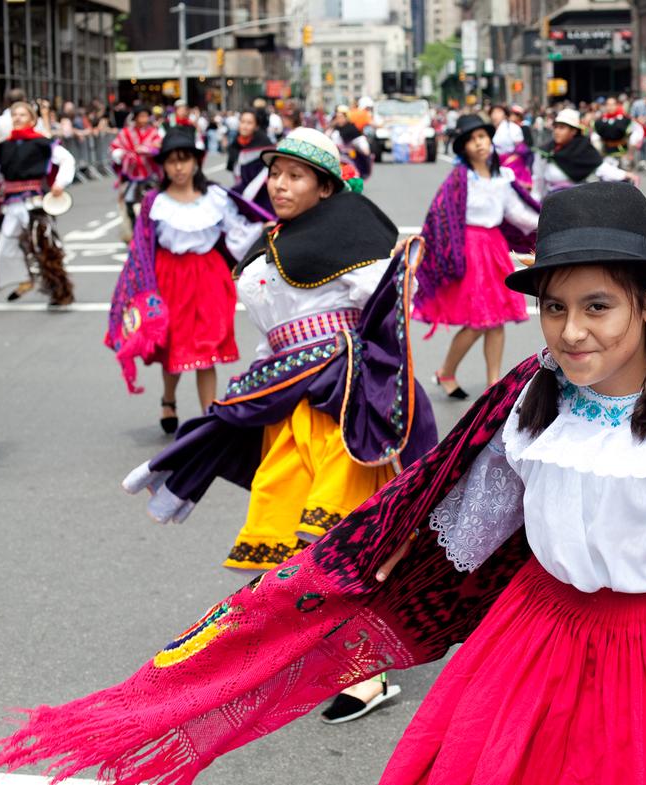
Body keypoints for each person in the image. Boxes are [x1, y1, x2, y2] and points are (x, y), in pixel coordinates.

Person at [0, 181, 646, 785]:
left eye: (599, 305)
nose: (573, 331)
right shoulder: (525, 400)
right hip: (538, 642)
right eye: (555, 308)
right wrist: (320, 583)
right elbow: (430, 530)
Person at [111, 126, 437, 723]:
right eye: (276, 173)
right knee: (284, 532)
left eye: (296, 175)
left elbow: (388, 308)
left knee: (342, 537)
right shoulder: (268, 244)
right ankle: (307, 647)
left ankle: (368, 672)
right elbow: (269, 336)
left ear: (325, 186)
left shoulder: (355, 240)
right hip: (287, 407)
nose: (281, 185)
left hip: (342, 403)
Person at [105, 126, 268, 430]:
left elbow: (239, 231)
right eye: (172, 161)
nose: (178, 167)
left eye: (185, 159)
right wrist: (141, 289)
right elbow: (141, 248)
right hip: (169, 277)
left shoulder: (216, 197)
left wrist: (264, 229)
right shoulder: (155, 202)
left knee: (207, 349)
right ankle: (168, 400)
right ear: (163, 165)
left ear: (196, 161)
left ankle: (209, 415)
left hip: (209, 276)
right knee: (174, 346)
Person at [416, 113, 540, 399]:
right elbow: (440, 217)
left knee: (496, 320)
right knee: (477, 322)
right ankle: (446, 371)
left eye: (482, 137)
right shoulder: (459, 180)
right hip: (469, 251)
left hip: (493, 249)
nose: (479, 144)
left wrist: (550, 221)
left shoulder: (502, 178)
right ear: (463, 148)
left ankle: (494, 382)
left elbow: (518, 215)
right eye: (471, 140)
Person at [0, 100, 75, 305]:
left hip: (34, 204)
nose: (17, 118)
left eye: (22, 115)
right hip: (10, 205)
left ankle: (60, 291)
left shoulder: (42, 143)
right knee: (2, 248)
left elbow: (67, 160)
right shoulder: (2, 147)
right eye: (14, 115)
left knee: (44, 248)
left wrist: (60, 184)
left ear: (32, 120)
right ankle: (24, 279)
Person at [532, 108, 632, 200]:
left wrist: (624, 174)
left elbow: (600, 168)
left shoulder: (584, 148)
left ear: (574, 131)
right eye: (556, 127)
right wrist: (536, 201)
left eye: (562, 128)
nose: (557, 131)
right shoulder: (546, 151)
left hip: (579, 200)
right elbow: (538, 178)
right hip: (553, 200)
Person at [110, 105, 163, 240]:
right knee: (129, 203)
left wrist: (146, 150)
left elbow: (159, 149)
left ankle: (151, 233)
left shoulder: (153, 132)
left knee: (152, 204)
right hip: (131, 175)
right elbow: (115, 148)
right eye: (141, 116)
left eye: (146, 116)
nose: (144, 119)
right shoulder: (126, 133)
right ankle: (134, 233)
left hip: (150, 175)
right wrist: (123, 154)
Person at [226, 108, 275, 215]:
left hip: (260, 196)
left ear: (256, 126)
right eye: (242, 122)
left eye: (249, 123)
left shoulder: (264, 144)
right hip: (241, 190)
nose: (244, 126)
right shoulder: (236, 143)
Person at [488, 103, 533, 190]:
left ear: (504, 114)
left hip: (513, 165)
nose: (495, 115)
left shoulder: (513, 128)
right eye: (493, 112)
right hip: (495, 164)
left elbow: (521, 148)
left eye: (498, 112)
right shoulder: (489, 130)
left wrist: (510, 160)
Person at [592, 94, 644, 162]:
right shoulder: (600, 121)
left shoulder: (624, 120)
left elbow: (635, 133)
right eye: (608, 104)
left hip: (622, 153)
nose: (610, 107)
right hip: (605, 154)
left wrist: (631, 152)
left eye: (613, 104)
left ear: (617, 105)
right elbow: (595, 137)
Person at [330, 106, 372, 181]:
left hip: (350, 158)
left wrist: (364, 149)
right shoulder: (334, 130)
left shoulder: (352, 129)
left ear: (346, 117)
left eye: (341, 117)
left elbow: (361, 142)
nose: (339, 119)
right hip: (337, 158)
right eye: (337, 117)